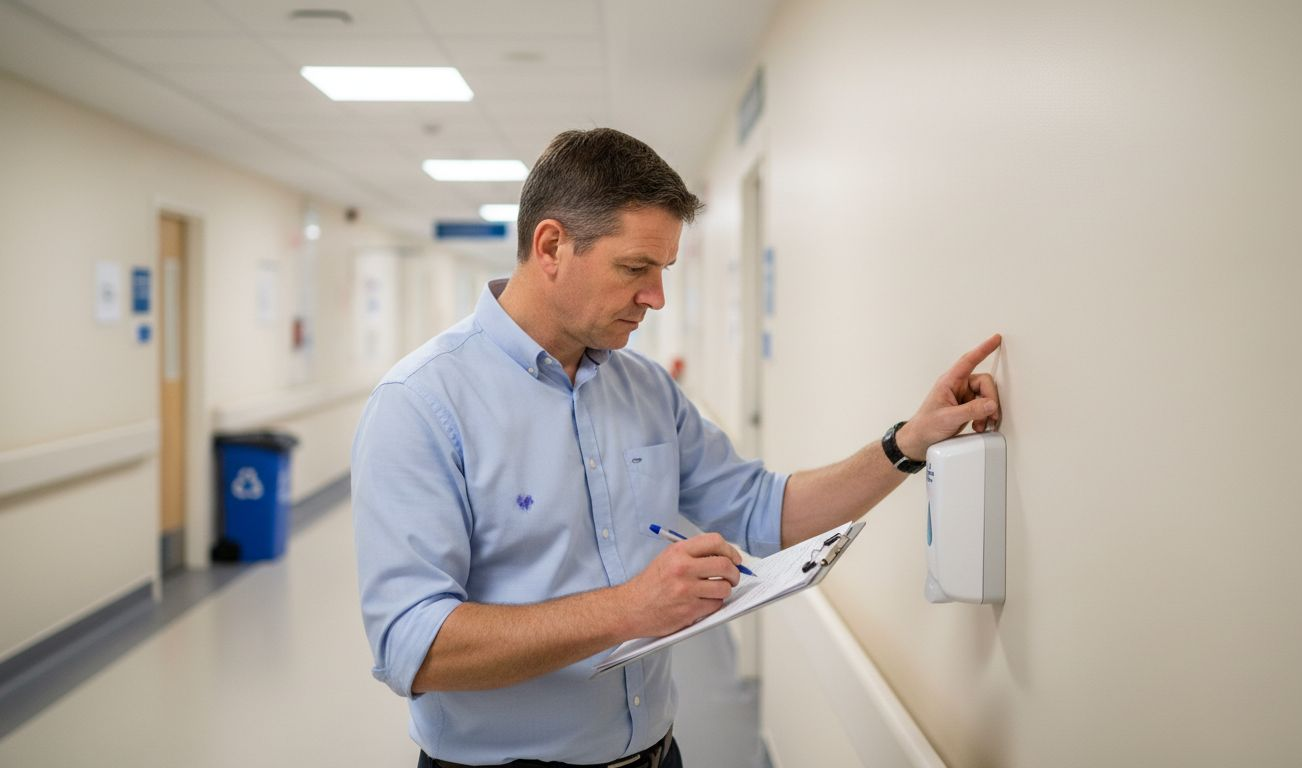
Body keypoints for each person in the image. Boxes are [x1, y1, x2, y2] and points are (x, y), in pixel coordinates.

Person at [352, 128, 1001, 768]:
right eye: (636, 268)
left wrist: (909, 442)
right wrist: (629, 609)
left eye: (662, 271)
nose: (656, 299)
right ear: (551, 246)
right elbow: (415, 646)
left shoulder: (643, 389)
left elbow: (763, 510)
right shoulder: (421, 404)